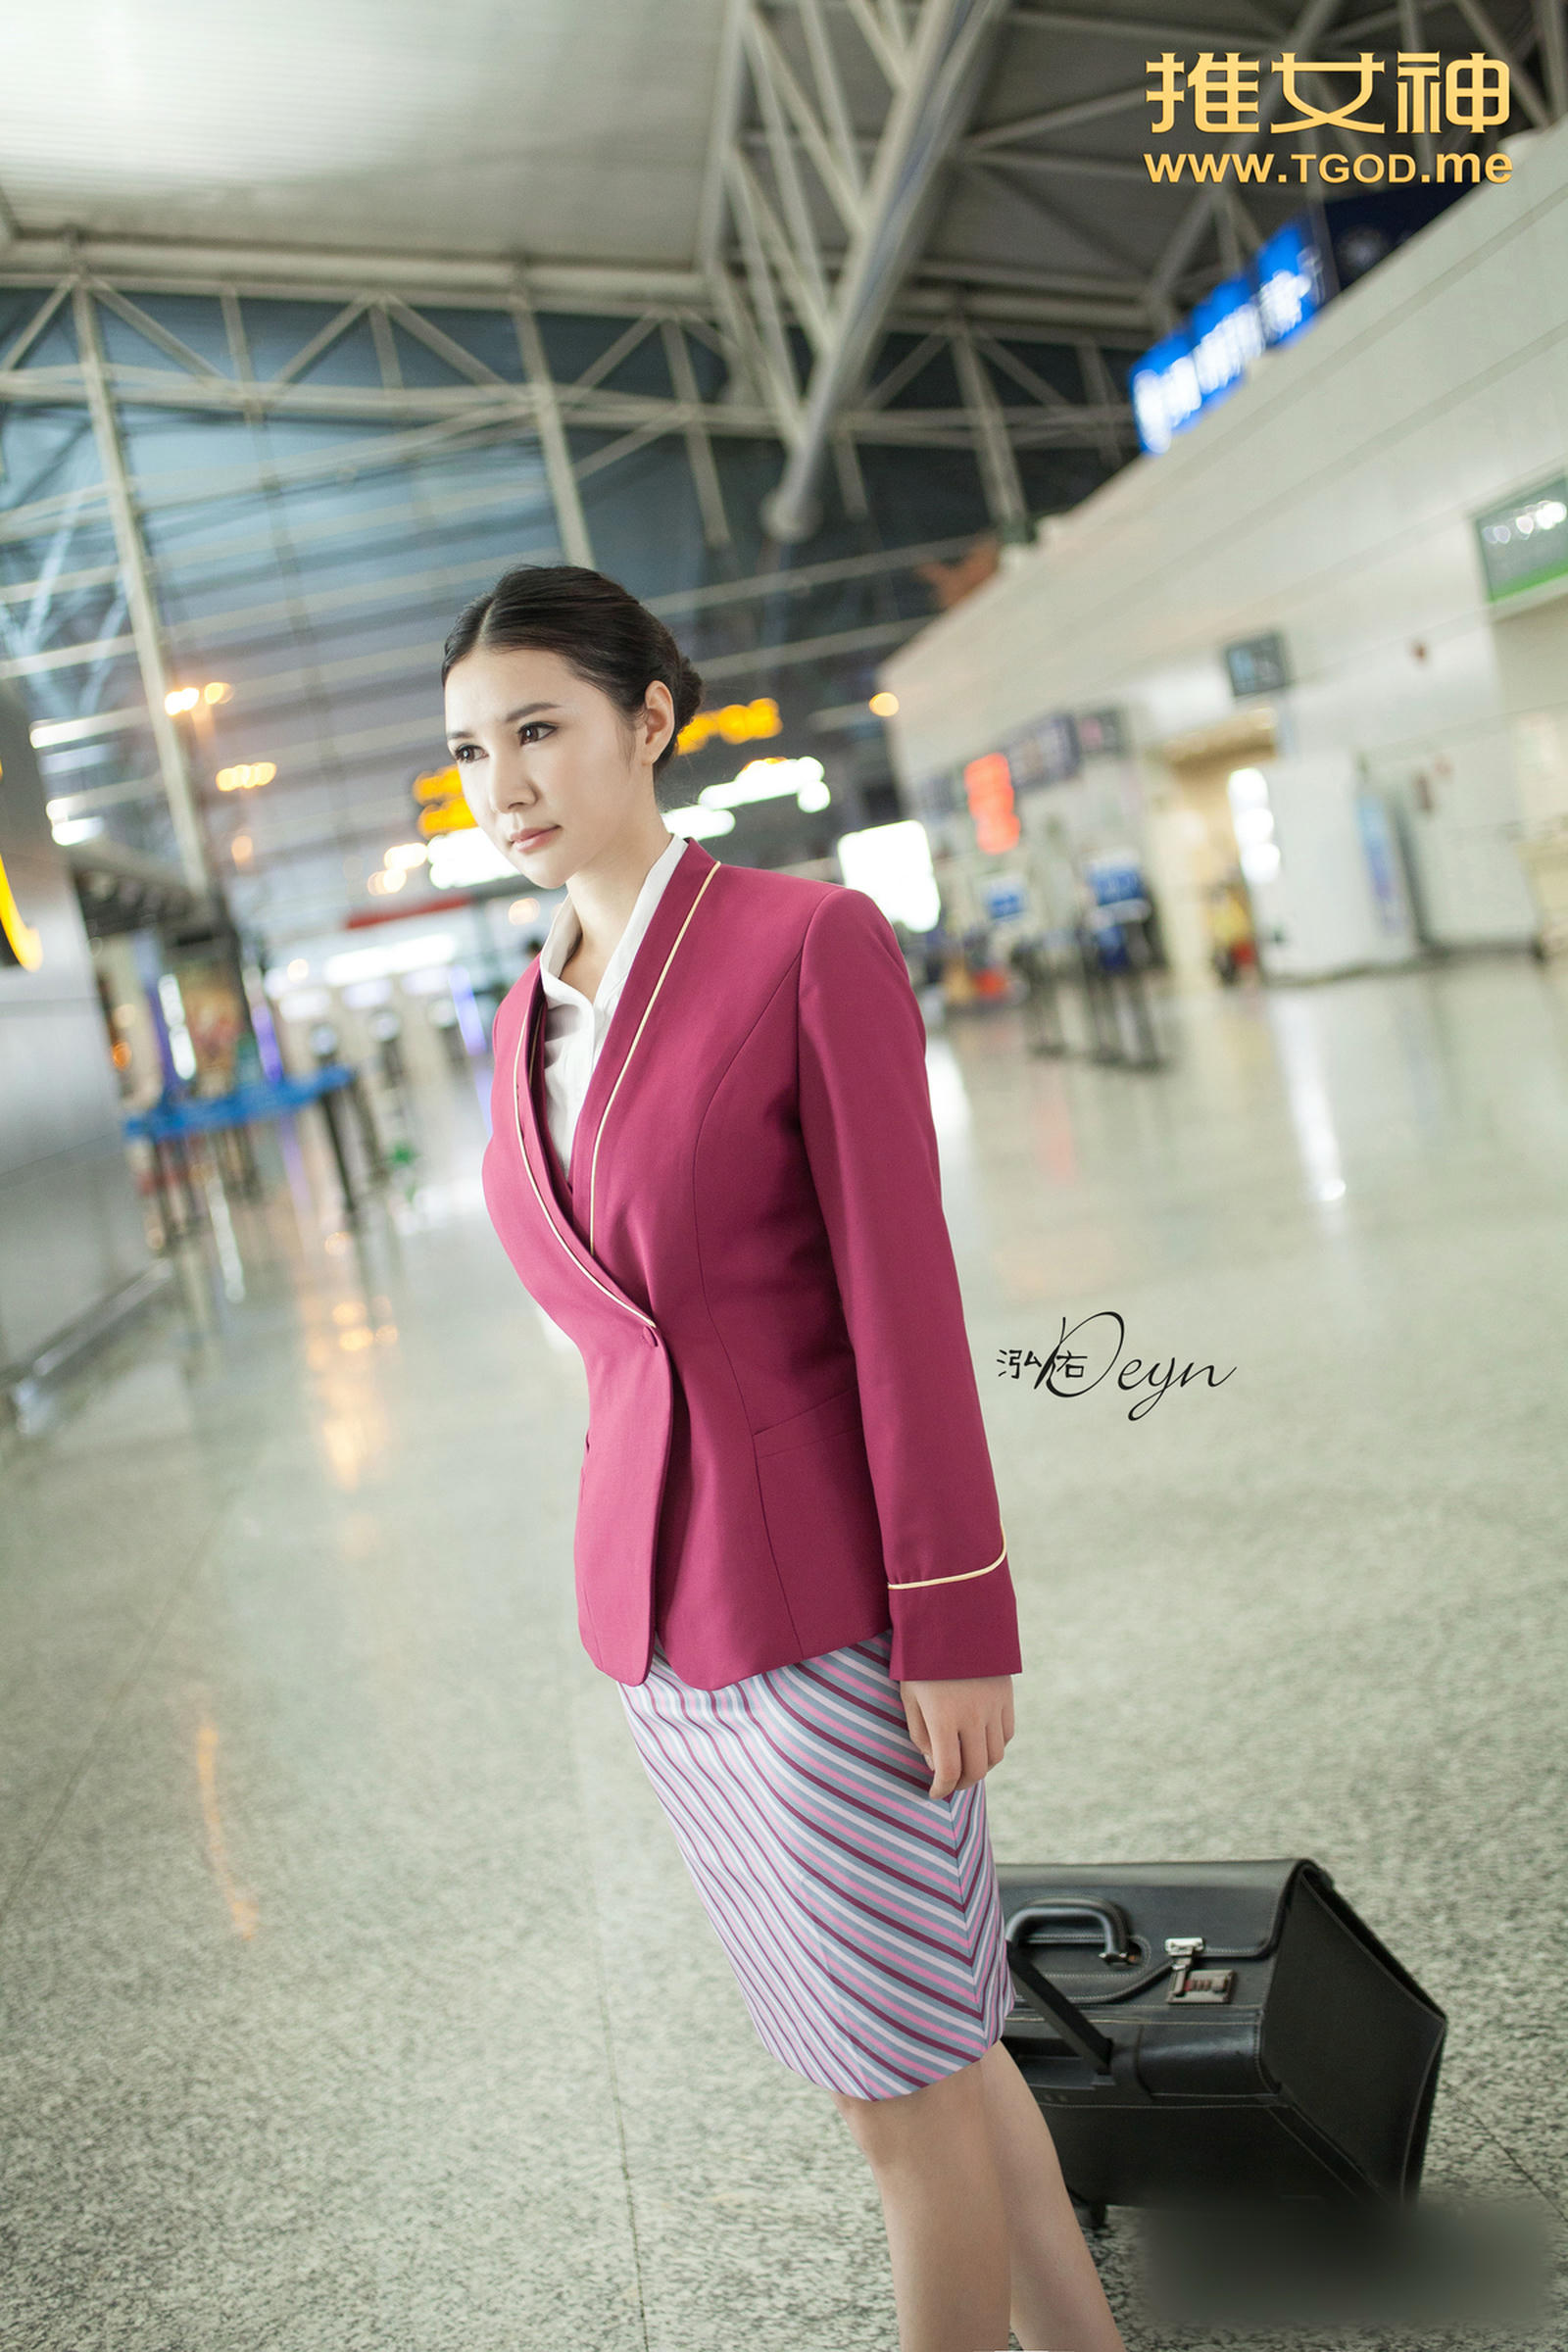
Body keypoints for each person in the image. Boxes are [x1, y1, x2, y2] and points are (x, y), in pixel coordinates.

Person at [443, 564, 1127, 2352]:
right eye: (471, 752)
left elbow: (905, 1305)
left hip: (830, 1619)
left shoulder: (804, 943)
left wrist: (956, 1619)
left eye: (538, 730)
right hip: (663, 1640)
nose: (504, 784)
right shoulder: (525, 1019)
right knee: (930, 2052)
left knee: (899, 2099)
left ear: (648, 721)